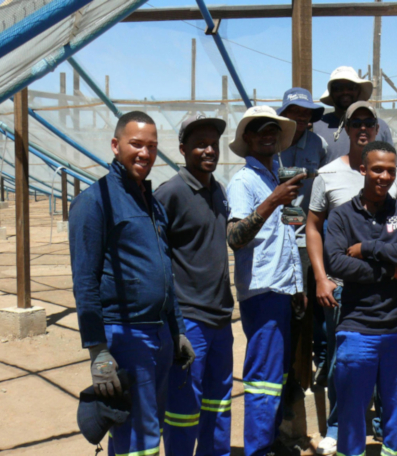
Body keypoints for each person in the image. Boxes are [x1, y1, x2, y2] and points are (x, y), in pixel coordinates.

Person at [69, 111, 195, 456]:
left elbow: (165, 274)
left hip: (158, 335)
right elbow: (85, 281)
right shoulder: (95, 202)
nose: (145, 153)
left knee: (149, 425)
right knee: (135, 436)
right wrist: (97, 350)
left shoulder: (151, 203)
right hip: (125, 336)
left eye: (152, 147)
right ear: (115, 145)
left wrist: (177, 329)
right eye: (136, 144)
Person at [306, 101, 397, 455]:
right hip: (347, 295)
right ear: (345, 128)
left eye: (369, 121)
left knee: (388, 380)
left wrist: (368, 249)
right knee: (343, 366)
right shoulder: (328, 175)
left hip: (391, 306)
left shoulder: (396, 184)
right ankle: (337, 426)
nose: (363, 127)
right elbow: (315, 229)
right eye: (356, 122)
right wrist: (322, 276)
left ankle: (381, 428)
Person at [324, 140, 397, 456]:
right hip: (357, 330)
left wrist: (368, 249)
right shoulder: (341, 216)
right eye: (377, 169)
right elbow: (336, 263)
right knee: (352, 415)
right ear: (363, 169)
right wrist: (388, 270)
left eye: (390, 171)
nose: (384, 176)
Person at [225, 106, 306, 456]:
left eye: (273, 129)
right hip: (262, 292)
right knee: (263, 379)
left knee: (277, 378)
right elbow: (235, 237)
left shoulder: (275, 176)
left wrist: (298, 287)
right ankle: (259, 449)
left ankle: (271, 442)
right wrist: (273, 201)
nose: (268, 135)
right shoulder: (244, 182)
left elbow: (285, 238)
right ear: (247, 139)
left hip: (282, 289)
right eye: (259, 130)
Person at [155, 114, 235, 455]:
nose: (209, 150)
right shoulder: (169, 193)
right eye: (200, 144)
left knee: (218, 407)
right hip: (190, 319)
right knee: (184, 410)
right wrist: (174, 326)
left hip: (221, 318)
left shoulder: (218, 190)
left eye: (213, 144)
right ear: (183, 149)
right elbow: (158, 261)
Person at [276, 87, 330, 391]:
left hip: (306, 239)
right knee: (286, 311)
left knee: (312, 305)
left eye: (305, 113)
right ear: (284, 114)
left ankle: (315, 367)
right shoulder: (273, 143)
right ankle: (288, 377)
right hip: (277, 239)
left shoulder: (318, 145)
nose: (300, 118)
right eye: (294, 112)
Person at [313, 66, 394, 163]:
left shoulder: (379, 126)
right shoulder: (316, 127)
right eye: (338, 88)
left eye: (351, 87)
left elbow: (390, 166)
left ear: (359, 91)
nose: (345, 92)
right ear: (331, 93)